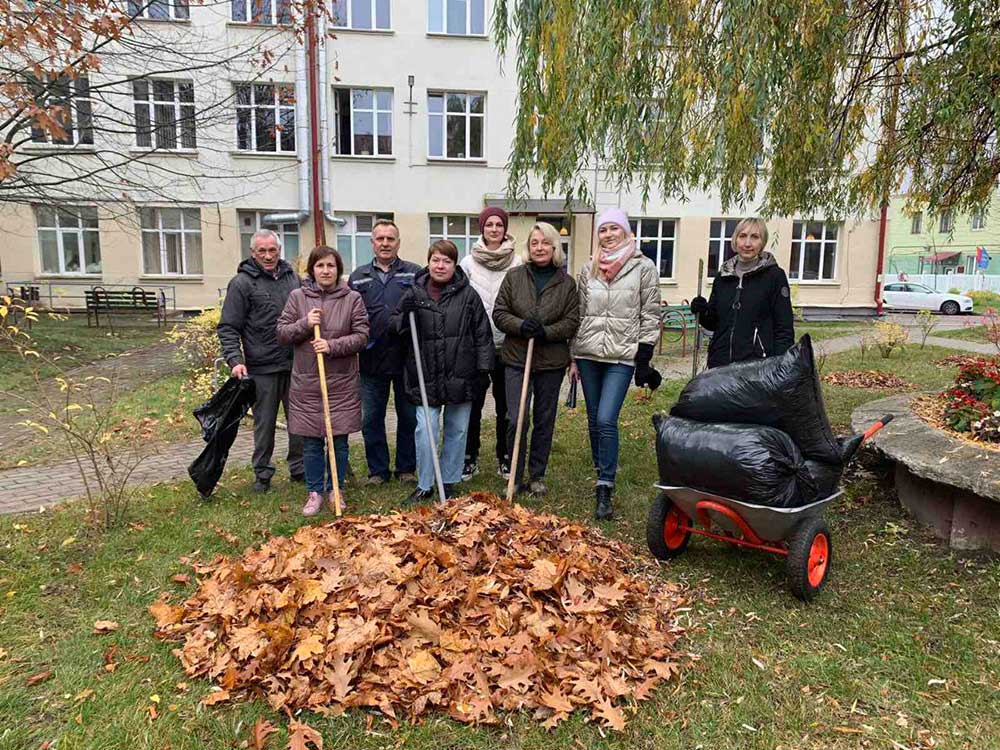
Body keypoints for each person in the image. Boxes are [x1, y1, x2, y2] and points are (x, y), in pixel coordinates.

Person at [571, 208, 662, 520]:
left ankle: (605, 484)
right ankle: (601, 466)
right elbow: (580, 312)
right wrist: (573, 354)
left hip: (622, 355)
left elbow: (650, 313)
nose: (608, 234)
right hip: (588, 354)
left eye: (614, 229)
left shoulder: (643, 267)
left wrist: (644, 357)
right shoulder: (589, 268)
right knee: (594, 418)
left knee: (607, 418)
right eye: (603, 230)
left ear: (626, 232)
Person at [390, 240, 493, 505]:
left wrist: (484, 369)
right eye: (436, 259)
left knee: (457, 431)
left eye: (446, 261)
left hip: (461, 373)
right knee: (425, 431)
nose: (440, 265)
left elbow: (482, 334)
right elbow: (394, 326)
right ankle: (425, 484)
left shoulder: (468, 296)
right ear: (428, 261)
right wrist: (403, 317)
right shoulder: (414, 294)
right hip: (425, 376)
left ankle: (449, 481)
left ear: (454, 264)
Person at [276, 246, 369, 516]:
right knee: (313, 441)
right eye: (320, 266)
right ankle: (315, 491)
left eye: (330, 266)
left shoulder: (352, 298)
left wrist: (332, 345)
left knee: (338, 440)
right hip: (307, 382)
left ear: (338, 269)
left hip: (341, 382)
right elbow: (282, 333)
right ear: (312, 270)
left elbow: (362, 336)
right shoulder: (297, 298)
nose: (325, 271)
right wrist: (305, 323)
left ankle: (336, 489)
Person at [492, 222, 579, 495]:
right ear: (528, 248)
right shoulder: (515, 276)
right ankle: (514, 475)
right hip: (517, 358)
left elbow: (571, 321)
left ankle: (537, 475)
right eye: (534, 243)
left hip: (551, 362)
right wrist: (520, 326)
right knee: (516, 418)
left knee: (544, 418)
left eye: (544, 243)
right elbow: (499, 312)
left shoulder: (566, 283)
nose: (539, 248)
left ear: (554, 247)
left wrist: (547, 332)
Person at [217, 228, 304, 492]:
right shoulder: (242, 284)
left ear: (279, 250)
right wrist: (235, 360)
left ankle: (299, 468)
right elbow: (228, 327)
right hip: (261, 367)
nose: (268, 255)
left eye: (272, 250)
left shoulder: (294, 279)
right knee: (264, 424)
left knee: (299, 421)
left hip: (294, 365)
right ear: (252, 253)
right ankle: (263, 474)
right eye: (262, 251)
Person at [348, 219, 421, 486]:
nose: (385, 243)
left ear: (398, 243)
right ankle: (377, 470)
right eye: (380, 239)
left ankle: (406, 468)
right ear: (372, 243)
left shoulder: (414, 273)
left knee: (409, 417)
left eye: (390, 239)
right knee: (372, 418)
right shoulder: (358, 277)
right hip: (371, 360)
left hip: (406, 358)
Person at [458, 206, 522, 480]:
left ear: (505, 229)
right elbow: (460, 303)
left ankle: (505, 456)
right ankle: (469, 456)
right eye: (489, 225)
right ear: (481, 228)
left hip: (508, 344)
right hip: (476, 346)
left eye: (499, 225)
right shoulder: (468, 262)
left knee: (505, 407)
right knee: (472, 405)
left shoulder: (517, 261)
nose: (494, 229)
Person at [689, 217, 794, 368]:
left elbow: (784, 328)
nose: (747, 243)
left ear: (762, 242)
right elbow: (714, 324)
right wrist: (702, 312)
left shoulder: (774, 276)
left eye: (755, 237)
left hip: (757, 367)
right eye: (742, 236)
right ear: (735, 240)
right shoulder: (723, 276)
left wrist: (779, 365)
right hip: (720, 365)